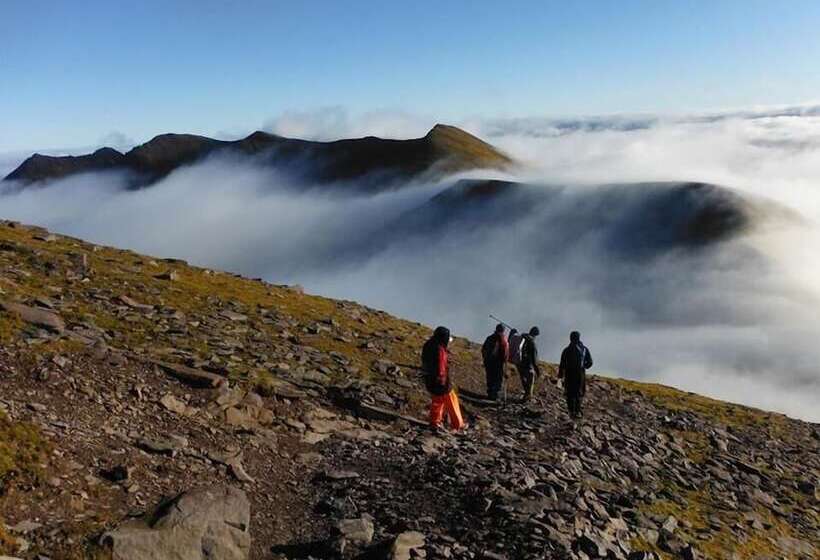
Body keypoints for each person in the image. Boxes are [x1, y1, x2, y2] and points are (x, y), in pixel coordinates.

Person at [421, 326, 465, 431]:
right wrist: (442, 380)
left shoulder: (428, 344)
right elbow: (441, 366)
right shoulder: (440, 349)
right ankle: (458, 424)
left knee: (437, 401)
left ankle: (435, 422)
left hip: (430, 378)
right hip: (440, 381)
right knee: (451, 400)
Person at [559, 331, 593, 419]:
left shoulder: (566, 350)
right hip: (580, 374)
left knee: (569, 392)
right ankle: (577, 411)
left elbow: (562, 364)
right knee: (579, 392)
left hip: (569, 374)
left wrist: (560, 375)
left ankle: (571, 411)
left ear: (571, 338)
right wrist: (584, 367)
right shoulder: (584, 349)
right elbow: (590, 362)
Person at [481, 323, 509, 400]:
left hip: (488, 362)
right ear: (503, 330)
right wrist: (505, 361)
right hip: (498, 363)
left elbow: (483, 349)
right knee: (497, 379)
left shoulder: (489, 338)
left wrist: (485, 359)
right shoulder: (503, 340)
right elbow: (505, 353)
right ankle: (495, 395)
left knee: (490, 378)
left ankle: (490, 394)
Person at [517, 326, 541, 402]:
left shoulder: (522, 337)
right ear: (535, 334)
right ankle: (527, 397)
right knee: (530, 381)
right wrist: (537, 370)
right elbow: (534, 359)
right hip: (528, 365)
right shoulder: (532, 343)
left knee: (524, 379)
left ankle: (526, 395)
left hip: (519, 363)